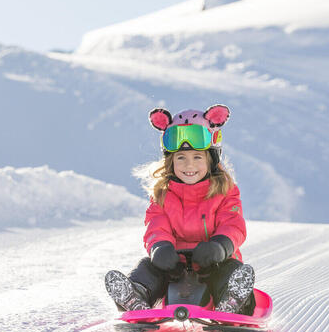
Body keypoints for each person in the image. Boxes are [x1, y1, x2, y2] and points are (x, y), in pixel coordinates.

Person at [105, 104, 256, 315]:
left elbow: (233, 224)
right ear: (170, 162)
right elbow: (156, 225)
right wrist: (160, 249)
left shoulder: (225, 191)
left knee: (229, 271)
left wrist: (219, 247)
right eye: (181, 158)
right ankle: (136, 296)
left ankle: (233, 300)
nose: (189, 165)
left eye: (197, 157)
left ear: (211, 160)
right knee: (148, 268)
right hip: (173, 265)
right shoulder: (162, 194)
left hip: (214, 262)